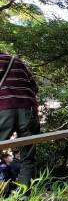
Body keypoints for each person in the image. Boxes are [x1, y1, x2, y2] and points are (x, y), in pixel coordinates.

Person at [0, 53, 39, 187]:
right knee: (28, 156)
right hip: (28, 110)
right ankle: (24, 194)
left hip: (3, 109)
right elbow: (35, 87)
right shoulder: (19, 62)